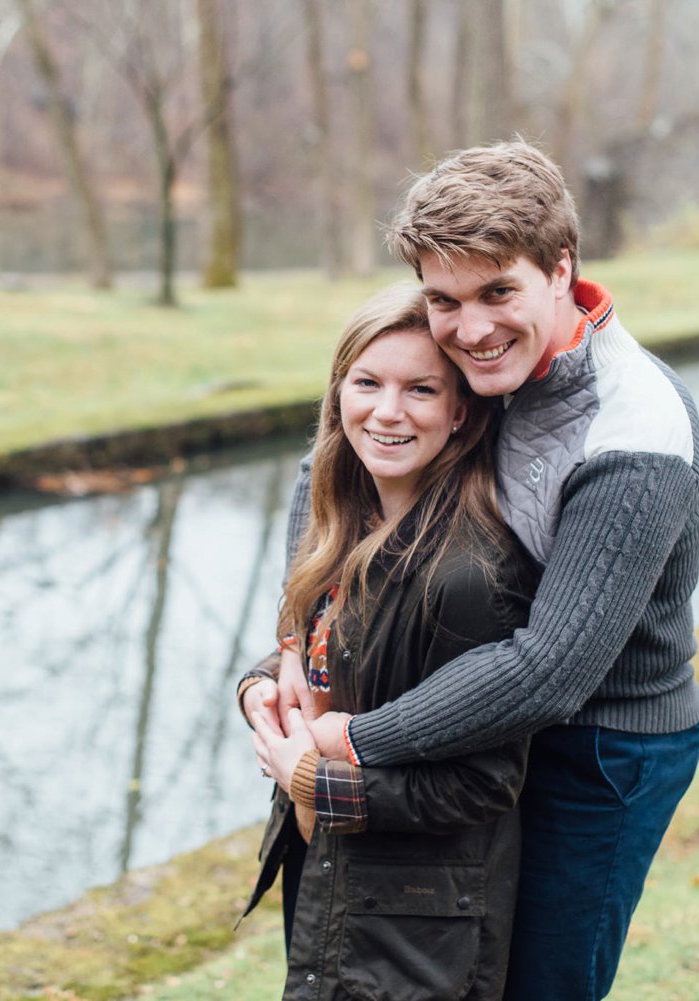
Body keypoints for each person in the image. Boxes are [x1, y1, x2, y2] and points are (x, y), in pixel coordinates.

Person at [242, 140, 699, 1000]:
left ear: (561, 269)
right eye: (445, 298)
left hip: (601, 742)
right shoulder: (474, 367)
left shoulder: (635, 428)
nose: (473, 326)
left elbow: (549, 671)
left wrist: (346, 740)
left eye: (500, 291)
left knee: (541, 979)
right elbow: (342, 460)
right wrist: (290, 655)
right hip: (481, 708)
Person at [240, 284, 538, 999]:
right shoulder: (342, 517)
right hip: (334, 876)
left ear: (460, 411)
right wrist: (261, 686)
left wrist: (312, 779)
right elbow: (325, 647)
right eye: (367, 382)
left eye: (421, 389)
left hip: (417, 923)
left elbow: (484, 782)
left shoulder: (470, 575)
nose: (387, 410)